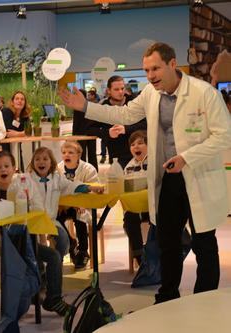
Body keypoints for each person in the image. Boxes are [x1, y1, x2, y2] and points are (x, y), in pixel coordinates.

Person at [58, 42, 231, 303]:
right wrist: (86, 107)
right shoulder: (152, 93)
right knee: (168, 241)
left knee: (204, 242)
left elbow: (224, 136)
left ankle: (204, 300)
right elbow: (125, 114)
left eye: (156, 68)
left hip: (199, 177)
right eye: (147, 70)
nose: (150, 75)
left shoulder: (204, 93)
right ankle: (168, 294)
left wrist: (187, 157)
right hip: (170, 179)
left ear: (172, 64)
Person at [0, 151, 71, 316]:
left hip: (25, 239)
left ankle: (53, 297)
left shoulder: (24, 185)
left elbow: (38, 209)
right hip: (7, 242)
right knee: (49, 257)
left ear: (14, 168)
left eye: (7, 166)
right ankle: (44, 293)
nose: (3, 170)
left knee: (53, 256)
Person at [25, 147, 104, 263]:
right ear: (33, 162)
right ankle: (40, 268)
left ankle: (56, 262)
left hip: (51, 220)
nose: (41, 162)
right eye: (37, 159)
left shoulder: (56, 179)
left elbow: (72, 186)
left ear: (51, 162)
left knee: (63, 239)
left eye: (45, 159)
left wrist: (91, 187)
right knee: (36, 247)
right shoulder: (27, 180)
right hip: (33, 222)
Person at [57, 141, 99, 269]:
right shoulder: (58, 169)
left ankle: (83, 251)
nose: (66, 155)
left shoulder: (88, 169)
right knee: (54, 218)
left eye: (70, 153)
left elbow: (94, 189)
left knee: (79, 216)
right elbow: (56, 189)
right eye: (64, 153)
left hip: (82, 205)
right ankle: (70, 242)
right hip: (65, 205)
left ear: (79, 155)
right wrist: (60, 204)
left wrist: (81, 203)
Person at [90, 75, 147, 169]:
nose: (121, 92)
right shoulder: (104, 107)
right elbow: (90, 129)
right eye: (116, 89)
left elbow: (146, 123)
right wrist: (107, 133)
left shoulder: (134, 102)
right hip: (117, 156)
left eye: (122, 88)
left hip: (141, 153)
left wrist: (126, 129)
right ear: (109, 90)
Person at [123, 130, 149, 265]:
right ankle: (139, 257)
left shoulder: (155, 163)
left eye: (140, 143)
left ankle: (154, 251)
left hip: (153, 207)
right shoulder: (129, 167)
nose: (136, 147)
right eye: (133, 145)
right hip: (136, 208)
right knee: (129, 218)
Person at [72, 89, 98, 171]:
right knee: (92, 154)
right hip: (91, 133)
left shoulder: (77, 106)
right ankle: (94, 171)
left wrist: (73, 135)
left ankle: (83, 171)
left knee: (81, 154)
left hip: (81, 133)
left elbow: (76, 122)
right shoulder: (91, 104)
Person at [1, 91, 31, 156]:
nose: (19, 101)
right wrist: (22, 133)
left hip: (17, 147)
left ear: (25, 103)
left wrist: (17, 134)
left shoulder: (25, 116)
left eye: (22, 99)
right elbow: (8, 132)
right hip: (5, 148)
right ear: (12, 102)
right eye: (17, 99)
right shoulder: (6, 111)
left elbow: (29, 132)